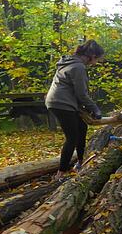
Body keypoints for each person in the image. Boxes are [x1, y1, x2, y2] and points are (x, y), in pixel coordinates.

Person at [45, 40, 104, 179]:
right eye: (97, 59)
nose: (96, 63)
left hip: (59, 101)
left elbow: (75, 92)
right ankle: (61, 173)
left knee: (82, 128)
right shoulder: (78, 67)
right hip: (62, 103)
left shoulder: (70, 62)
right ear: (92, 56)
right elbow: (81, 94)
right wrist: (95, 109)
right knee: (72, 137)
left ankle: (81, 162)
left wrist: (85, 109)